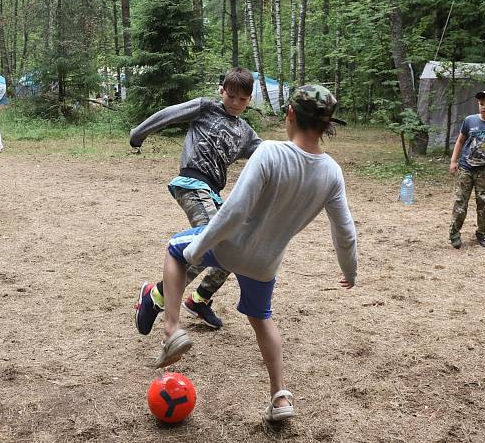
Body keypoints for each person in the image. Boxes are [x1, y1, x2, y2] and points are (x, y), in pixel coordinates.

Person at [141, 85, 358, 423]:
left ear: (290, 116)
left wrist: (200, 247)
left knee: (175, 251)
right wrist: (351, 269)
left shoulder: (271, 152)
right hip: (265, 263)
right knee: (262, 320)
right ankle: (280, 395)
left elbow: (236, 209)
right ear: (328, 125)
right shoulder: (331, 171)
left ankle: (172, 329)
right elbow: (344, 231)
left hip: (230, 245)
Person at [131, 67, 261, 331]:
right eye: (231, 96)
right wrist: (139, 133)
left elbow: (267, 154)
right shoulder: (206, 108)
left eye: (243, 99)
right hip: (192, 183)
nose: (236, 103)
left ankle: (200, 299)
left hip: (212, 192)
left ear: (249, 100)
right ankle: (155, 296)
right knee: (214, 244)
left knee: (234, 247)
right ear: (222, 91)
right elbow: (169, 114)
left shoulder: (246, 132)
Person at [448, 89, 485, 249]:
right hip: (466, 168)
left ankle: (482, 234)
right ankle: (454, 234)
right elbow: (460, 141)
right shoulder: (469, 121)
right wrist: (453, 161)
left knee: (483, 204)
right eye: (481, 104)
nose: (484, 107)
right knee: (460, 202)